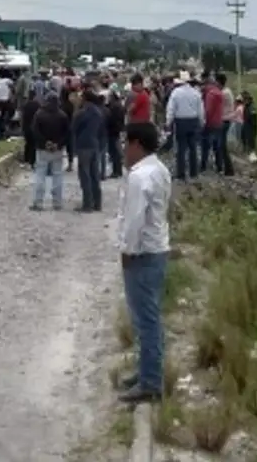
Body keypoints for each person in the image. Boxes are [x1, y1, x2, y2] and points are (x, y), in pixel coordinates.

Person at [115, 121, 171, 404]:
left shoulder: (140, 177)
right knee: (149, 317)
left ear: (137, 144)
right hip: (157, 250)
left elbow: (135, 218)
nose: (124, 149)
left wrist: (127, 250)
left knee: (145, 320)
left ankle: (150, 383)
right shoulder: (159, 169)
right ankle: (147, 371)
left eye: (127, 143)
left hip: (142, 254)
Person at [30, 92, 70, 210]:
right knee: (57, 175)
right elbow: (67, 133)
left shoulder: (39, 114)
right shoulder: (62, 115)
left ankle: (38, 202)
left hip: (43, 149)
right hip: (57, 149)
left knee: (40, 175)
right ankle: (57, 202)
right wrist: (58, 144)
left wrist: (45, 142)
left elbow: (35, 130)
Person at [165, 74, 204, 181]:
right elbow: (201, 110)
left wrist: (168, 122)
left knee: (181, 148)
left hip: (181, 122)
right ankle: (193, 172)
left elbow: (171, 109)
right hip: (193, 121)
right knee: (193, 148)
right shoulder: (196, 93)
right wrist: (202, 122)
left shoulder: (176, 93)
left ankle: (181, 173)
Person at [72, 88, 104, 212]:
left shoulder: (81, 112)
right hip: (95, 144)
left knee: (85, 175)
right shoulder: (98, 112)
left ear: (85, 98)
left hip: (83, 145)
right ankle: (97, 203)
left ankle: (87, 204)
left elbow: (73, 128)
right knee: (94, 174)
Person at [200, 74, 225, 174]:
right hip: (219, 122)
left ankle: (203, 166)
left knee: (205, 146)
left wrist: (203, 121)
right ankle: (219, 167)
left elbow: (208, 110)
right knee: (217, 147)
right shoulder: (219, 93)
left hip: (210, 124)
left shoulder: (210, 94)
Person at [105, 91, 126, 179]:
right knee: (116, 151)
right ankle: (119, 170)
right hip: (117, 130)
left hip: (112, 131)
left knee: (114, 152)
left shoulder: (113, 107)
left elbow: (111, 119)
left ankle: (116, 171)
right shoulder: (119, 105)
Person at [21, 90, 41, 168]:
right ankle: (32, 162)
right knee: (33, 145)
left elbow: (22, 117)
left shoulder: (25, 105)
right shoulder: (37, 105)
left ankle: (25, 160)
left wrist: (22, 127)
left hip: (26, 127)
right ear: (35, 96)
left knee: (27, 144)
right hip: (34, 127)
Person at [240, 90, 257, 154]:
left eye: (245, 99)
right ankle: (245, 149)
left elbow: (254, 121)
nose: (244, 101)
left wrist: (253, 130)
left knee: (251, 140)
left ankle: (252, 152)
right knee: (243, 137)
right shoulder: (246, 106)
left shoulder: (252, 108)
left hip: (250, 126)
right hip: (246, 124)